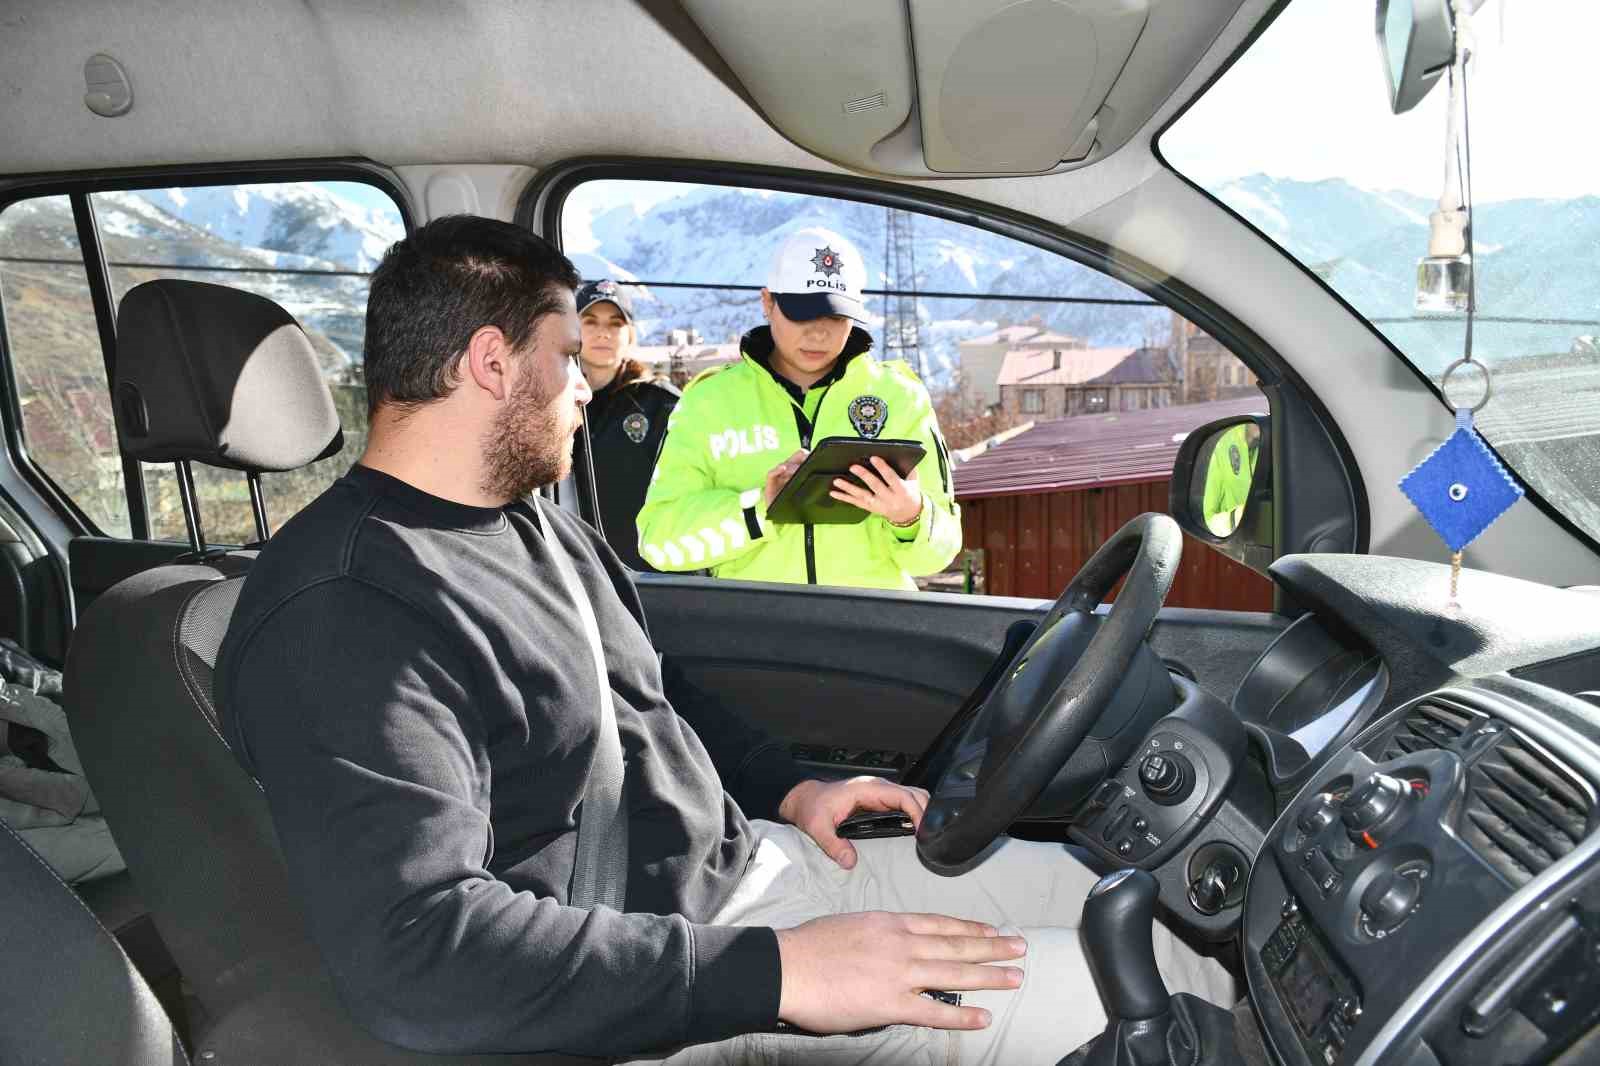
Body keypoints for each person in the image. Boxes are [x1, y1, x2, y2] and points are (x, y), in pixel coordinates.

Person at [215, 216, 1231, 1064]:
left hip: (758, 871)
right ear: (490, 363)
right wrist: (787, 973)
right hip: (669, 985)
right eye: (568, 358)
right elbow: (419, 953)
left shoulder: (530, 524)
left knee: (1128, 901)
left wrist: (793, 788)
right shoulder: (345, 613)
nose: (586, 385)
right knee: (1134, 1003)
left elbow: (655, 696)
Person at [636, 228, 961, 589]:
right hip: (754, 634)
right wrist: (760, 508)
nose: (819, 334)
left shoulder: (900, 396)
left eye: (836, 318)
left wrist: (910, 516)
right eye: (802, 314)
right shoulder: (709, 400)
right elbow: (658, 543)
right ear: (768, 303)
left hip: (874, 632)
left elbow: (938, 555)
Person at [570, 279, 679, 571]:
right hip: (572, 570)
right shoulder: (553, 402)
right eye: (590, 321)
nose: (603, 333)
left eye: (615, 323)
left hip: (644, 576)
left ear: (629, 334)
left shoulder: (659, 405)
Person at [1201, 422, 1257, 536]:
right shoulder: (1219, 444)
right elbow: (1206, 521)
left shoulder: (1285, 445)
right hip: (1240, 547)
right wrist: (1240, 516)